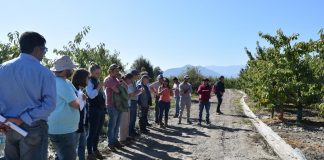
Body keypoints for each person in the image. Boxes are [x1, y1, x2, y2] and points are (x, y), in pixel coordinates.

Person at [0, 32, 56, 160]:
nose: (44, 54)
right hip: (33, 127)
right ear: (37, 49)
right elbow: (50, 104)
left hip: (9, 126)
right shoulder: (44, 72)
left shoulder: (3, 68)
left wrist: (3, 120)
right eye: (44, 50)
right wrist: (22, 118)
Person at [48, 55, 79, 160]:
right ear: (66, 70)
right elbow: (75, 104)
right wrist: (83, 100)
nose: (72, 70)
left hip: (58, 128)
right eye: (71, 68)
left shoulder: (59, 82)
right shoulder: (62, 84)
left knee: (60, 155)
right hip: (64, 130)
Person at [85, 64, 105, 160]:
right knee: (92, 132)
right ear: (91, 72)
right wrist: (99, 87)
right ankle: (89, 153)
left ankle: (95, 149)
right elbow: (91, 95)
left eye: (99, 72)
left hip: (100, 109)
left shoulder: (96, 80)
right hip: (93, 110)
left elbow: (101, 95)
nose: (99, 74)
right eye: (97, 73)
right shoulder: (89, 81)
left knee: (97, 131)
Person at [71, 69, 90, 160]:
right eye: (87, 78)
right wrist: (82, 99)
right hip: (76, 126)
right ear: (82, 78)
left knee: (82, 147)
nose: (88, 80)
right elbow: (76, 107)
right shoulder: (73, 91)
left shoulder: (79, 90)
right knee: (72, 151)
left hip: (81, 125)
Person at [104, 64, 123, 151]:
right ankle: (110, 143)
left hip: (118, 105)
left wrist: (120, 81)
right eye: (115, 71)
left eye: (118, 71)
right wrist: (120, 84)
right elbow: (118, 90)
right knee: (112, 125)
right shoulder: (109, 79)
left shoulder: (116, 79)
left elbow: (123, 88)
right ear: (110, 71)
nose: (117, 72)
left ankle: (115, 141)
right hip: (112, 105)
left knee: (117, 124)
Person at [117, 73, 134, 145]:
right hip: (123, 105)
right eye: (131, 80)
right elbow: (127, 94)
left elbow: (129, 94)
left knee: (127, 122)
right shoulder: (121, 84)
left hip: (127, 105)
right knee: (123, 123)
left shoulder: (125, 84)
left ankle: (126, 137)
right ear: (127, 79)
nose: (131, 81)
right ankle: (122, 139)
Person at [128, 70, 142, 137]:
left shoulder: (134, 82)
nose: (138, 76)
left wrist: (138, 91)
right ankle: (130, 132)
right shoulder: (130, 82)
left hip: (134, 101)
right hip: (131, 101)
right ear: (133, 75)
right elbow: (132, 94)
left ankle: (132, 131)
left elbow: (134, 92)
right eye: (137, 75)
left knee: (133, 118)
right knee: (131, 118)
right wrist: (139, 91)